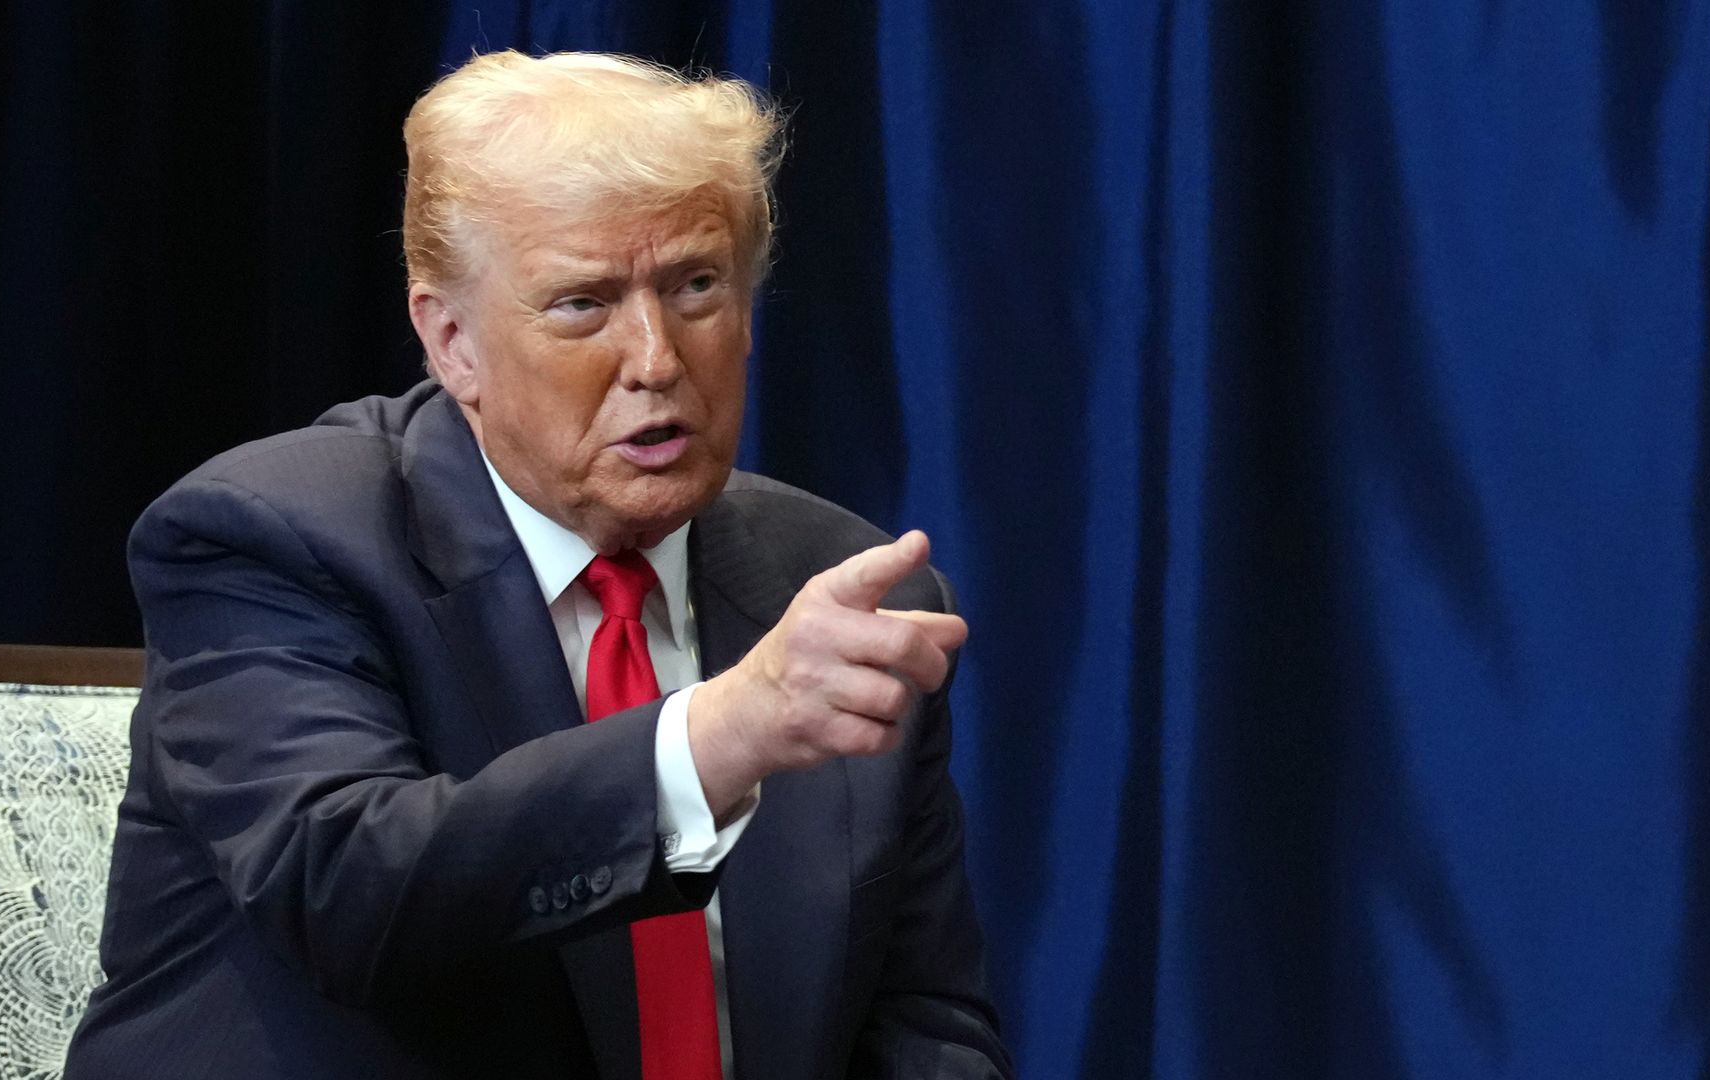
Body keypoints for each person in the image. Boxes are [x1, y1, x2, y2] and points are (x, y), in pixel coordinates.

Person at [65, 49, 1009, 1080]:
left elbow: (926, 1026)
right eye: (582, 305)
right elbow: (350, 891)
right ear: (452, 340)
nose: (654, 357)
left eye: (696, 286)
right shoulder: (271, 538)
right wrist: (715, 740)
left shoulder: (841, 590)